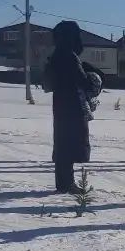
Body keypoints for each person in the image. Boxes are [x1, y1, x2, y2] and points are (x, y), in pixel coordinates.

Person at [43, 20, 102, 194]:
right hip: (72, 105)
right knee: (68, 144)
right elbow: (81, 80)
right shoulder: (68, 55)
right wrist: (93, 80)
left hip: (61, 103)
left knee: (62, 142)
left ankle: (64, 182)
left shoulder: (57, 54)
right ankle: (66, 184)